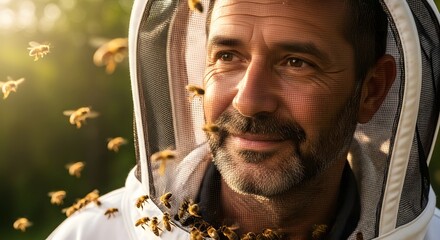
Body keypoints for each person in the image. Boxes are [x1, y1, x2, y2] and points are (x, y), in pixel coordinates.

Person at [48, 0, 440, 239]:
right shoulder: (93, 233)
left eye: (296, 63)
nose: (250, 101)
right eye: (227, 56)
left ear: (371, 90)